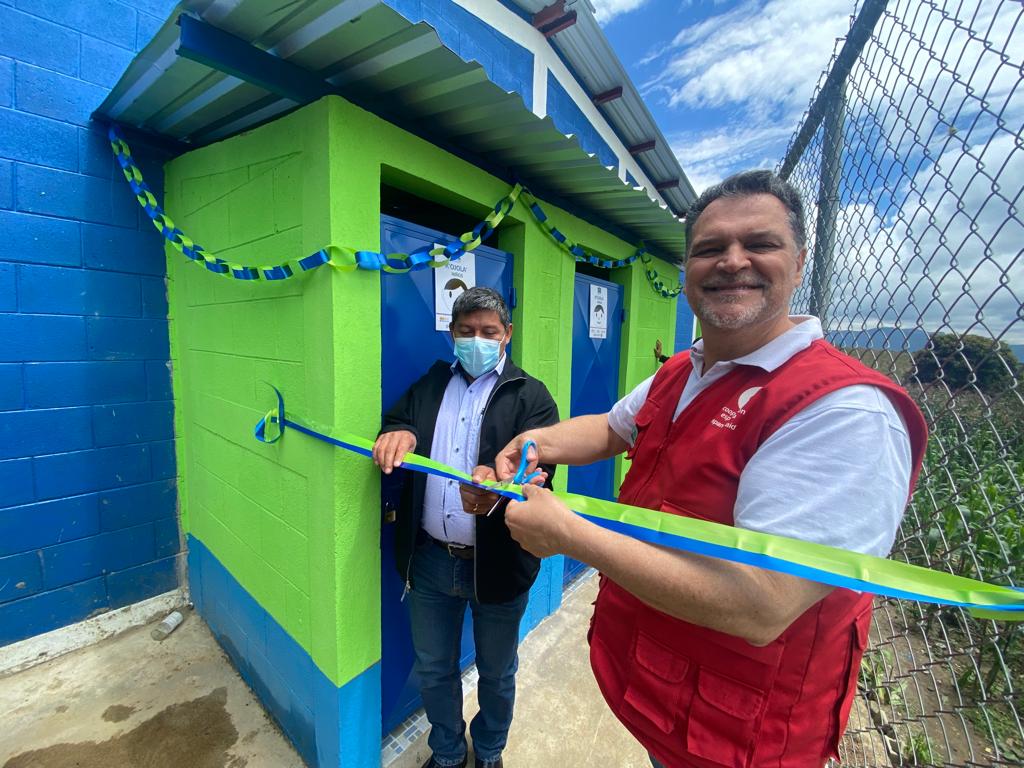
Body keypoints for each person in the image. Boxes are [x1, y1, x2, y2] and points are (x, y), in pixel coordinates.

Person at [475, 171, 928, 768]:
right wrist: (536, 440)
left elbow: (762, 605)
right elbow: (613, 429)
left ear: (799, 261)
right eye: (710, 248)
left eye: (759, 244)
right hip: (664, 698)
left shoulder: (843, 410)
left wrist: (571, 536)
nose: (732, 261)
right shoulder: (684, 372)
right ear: (687, 269)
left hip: (743, 737)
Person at [373, 286, 559, 768]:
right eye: (466, 331)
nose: (477, 339)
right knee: (434, 670)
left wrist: (498, 492)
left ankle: (490, 751)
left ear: (507, 335)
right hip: (431, 560)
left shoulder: (530, 396)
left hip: (499, 565)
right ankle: (448, 753)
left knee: (497, 673)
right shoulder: (431, 384)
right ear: (452, 334)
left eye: (488, 332)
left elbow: (542, 476)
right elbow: (397, 419)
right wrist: (401, 431)